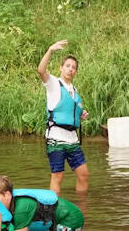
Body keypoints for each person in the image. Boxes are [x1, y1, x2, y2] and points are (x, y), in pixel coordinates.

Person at [37, 40, 90, 194]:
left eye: (74, 67)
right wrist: (50, 50)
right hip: (56, 138)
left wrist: (81, 115)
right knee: (58, 176)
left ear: (76, 72)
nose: (70, 69)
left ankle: (82, 208)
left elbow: (70, 110)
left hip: (72, 139)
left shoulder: (74, 89)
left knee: (83, 174)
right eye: (67, 66)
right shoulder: (53, 83)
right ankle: (54, 210)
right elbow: (41, 70)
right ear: (61, 68)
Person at [0, 175, 85, 231]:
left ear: (8, 195)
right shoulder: (9, 204)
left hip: (70, 218)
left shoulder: (22, 207)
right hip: (53, 221)